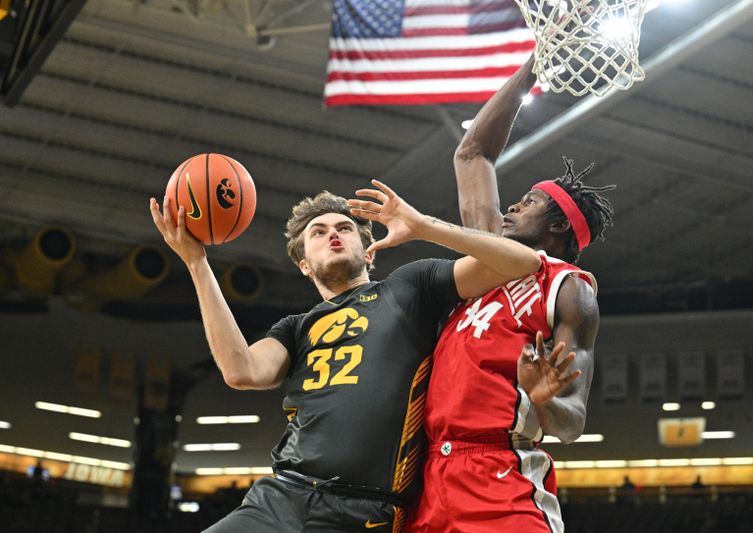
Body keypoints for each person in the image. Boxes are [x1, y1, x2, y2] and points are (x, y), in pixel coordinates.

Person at [149, 179, 543, 532]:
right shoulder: (295, 327)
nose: (333, 235)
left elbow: (523, 263)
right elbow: (241, 371)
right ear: (304, 264)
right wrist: (197, 264)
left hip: (365, 510)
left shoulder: (409, 287)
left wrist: (422, 225)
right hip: (281, 496)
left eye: (344, 228)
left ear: (369, 252)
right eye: (318, 233)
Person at [409, 51, 615, 533]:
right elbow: (471, 154)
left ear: (560, 223)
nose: (511, 207)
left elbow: (572, 423)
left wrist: (542, 397)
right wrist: (533, 68)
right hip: (431, 476)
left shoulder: (569, 289)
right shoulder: (487, 259)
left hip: (502, 475)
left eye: (530, 203)